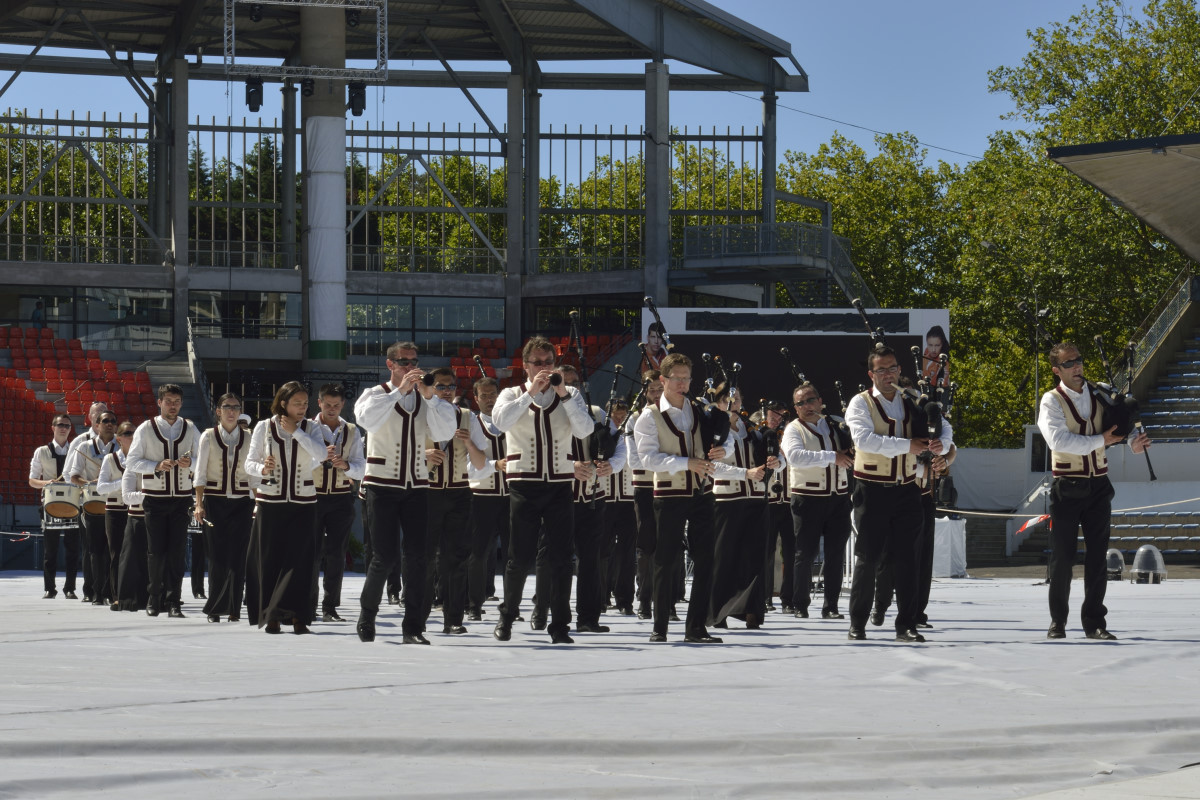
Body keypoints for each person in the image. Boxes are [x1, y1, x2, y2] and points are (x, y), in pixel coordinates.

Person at [1038, 342, 1149, 641]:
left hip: (1099, 486)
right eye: (1069, 363)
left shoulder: (1100, 391)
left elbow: (1121, 424)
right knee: (1063, 558)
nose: (1076, 366)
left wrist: (1134, 442)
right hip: (1067, 486)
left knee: (1098, 557)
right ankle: (1058, 621)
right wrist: (1102, 441)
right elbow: (1058, 441)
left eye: (1079, 360)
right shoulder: (1051, 400)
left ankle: (1095, 622)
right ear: (1057, 370)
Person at [490, 336, 596, 645]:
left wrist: (563, 394)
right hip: (524, 483)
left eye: (548, 362)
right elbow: (500, 423)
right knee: (519, 557)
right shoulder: (511, 393)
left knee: (562, 558)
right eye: (537, 363)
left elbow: (585, 429)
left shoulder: (570, 394)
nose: (544, 368)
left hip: (560, 483)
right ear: (525, 365)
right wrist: (531, 393)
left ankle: (560, 625)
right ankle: (507, 615)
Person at [353, 342, 457, 644]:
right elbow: (366, 420)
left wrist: (430, 397)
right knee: (383, 557)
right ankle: (367, 615)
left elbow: (444, 433)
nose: (411, 367)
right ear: (390, 364)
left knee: (418, 558)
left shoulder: (427, 399)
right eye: (404, 362)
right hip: (382, 484)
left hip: (417, 486)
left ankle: (413, 626)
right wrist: (399, 391)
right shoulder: (375, 394)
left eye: (414, 362)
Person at [844, 345, 945, 643]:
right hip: (871, 489)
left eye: (892, 368)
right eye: (881, 370)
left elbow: (944, 424)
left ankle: (906, 625)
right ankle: (858, 623)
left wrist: (942, 444)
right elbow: (864, 440)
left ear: (900, 370)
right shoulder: (860, 403)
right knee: (868, 557)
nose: (888, 375)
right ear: (871, 374)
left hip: (907, 489)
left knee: (908, 559)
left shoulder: (911, 399)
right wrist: (907, 445)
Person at [633, 352, 736, 644]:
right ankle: (660, 627)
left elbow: (726, 439)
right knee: (665, 559)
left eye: (686, 378)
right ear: (663, 380)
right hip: (669, 494)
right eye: (676, 378)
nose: (682, 384)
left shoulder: (699, 408)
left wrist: (723, 450)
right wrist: (686, 463)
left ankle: (696, 627)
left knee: (706, 559)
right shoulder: (649, 416)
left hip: (702, 493)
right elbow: (648, 459)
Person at [244, 381, 326, 634]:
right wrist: (262, 468)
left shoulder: (311, 427)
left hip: (304, 502)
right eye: (296, 403)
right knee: (270, 560)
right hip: (271, 502)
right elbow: (249, 463)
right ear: (283, 403)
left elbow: (322, 455)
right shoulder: (263, 426)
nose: (302, 407)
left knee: (300, 561)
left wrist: (297, 432)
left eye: (305, 403)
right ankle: (272, 615)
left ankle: (298, 616)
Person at [782, 382, 854, 620]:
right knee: (805, 553)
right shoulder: (793, 429)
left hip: (838, 498)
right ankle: (800, 604)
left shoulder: (835, 423)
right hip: (808, 498)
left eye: (811, 400)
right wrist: (833, 457)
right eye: (800, 403)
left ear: (820, 401)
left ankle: (831, 606)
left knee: (836, 554)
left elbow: (853, 447)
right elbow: (795, 456)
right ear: (795, 408)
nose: (807, 406)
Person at [127, 385, 198, 618]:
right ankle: (154, 598)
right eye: (168, 401)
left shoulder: (190, 428)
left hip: (181, 499)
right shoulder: (146, 428)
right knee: (155, 552)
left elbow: (203, 458)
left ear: (181, 403)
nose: (172, 406)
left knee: (177, 553)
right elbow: (132, 462)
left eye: (176, 401)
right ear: (159, 403)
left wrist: (192, 463)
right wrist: (156, 465)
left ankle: (174, 601)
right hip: (154, 498)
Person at [710, 387, 777, 630]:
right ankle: (718, 612)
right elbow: (711, 466)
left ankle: (752, 611)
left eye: (736, 398)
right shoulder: (712, 427)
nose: (732, 402)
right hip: (726, 499)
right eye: (726, 399)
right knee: (724, 557)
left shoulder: (752, 428)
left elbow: (775, 458)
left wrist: (776, 463)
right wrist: (745, 473)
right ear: (717, 402)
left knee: (756, 558)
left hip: (757, 498)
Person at [193, 393, 259, 623]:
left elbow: (254, 474)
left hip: (243, 502)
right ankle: (215, 608)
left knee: (239, 556)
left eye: (236, 407)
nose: (231, 411)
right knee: (217, 555)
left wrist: (258, 502)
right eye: (227, 407)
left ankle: (234, 608)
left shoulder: (249, 437)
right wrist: (198, 504)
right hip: (214, 501)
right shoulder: (208, 436)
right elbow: (200, 472)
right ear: (218, 411)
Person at [422, 367, 474, 635]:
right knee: (424, 557)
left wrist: (471, 444)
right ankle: (418, 617)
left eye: (450, 386)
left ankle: (454, 618)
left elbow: (483, 456)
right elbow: (398, 448)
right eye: (440, 386)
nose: (445, 391)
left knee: (457, 557)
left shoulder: (466, 415)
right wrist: (422, 455)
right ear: (430, 388)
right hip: (426, 492)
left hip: (459, 491)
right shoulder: (417, 413)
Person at [309, 383, 365, 623]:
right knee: (310, 554)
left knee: (336, 554)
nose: (332, 409)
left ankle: (330, 607)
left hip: (341, 497)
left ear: (343, 404)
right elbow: (298, 463)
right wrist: (320, 457)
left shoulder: (352, 430)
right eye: (328, 404)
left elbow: (361, 468)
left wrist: (346, 465)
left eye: (336, 405)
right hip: (311, 496)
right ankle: (308, 604)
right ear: (319, 403)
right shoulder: (307, 427)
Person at [465, 376, 509, 622]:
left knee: (513, 554)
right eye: (484, 395)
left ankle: (510, 605)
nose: (489, 399)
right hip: (481, 496)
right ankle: (474, 604)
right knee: (478, 553)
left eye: (493, 394)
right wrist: (494, 465)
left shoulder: (511, 421)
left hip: (512, 496)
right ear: (476, 398)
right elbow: (468, 467)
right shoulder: (472, 425)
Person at [66, 410, 118, 606]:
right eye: (105, 421)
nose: (109, 424)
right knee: (94, 550)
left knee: (112, 550)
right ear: (97, 425)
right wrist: (89, 483)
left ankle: (109, 591)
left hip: (114, 503)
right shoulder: (84, 446)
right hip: (91, 503)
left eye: (113, 421)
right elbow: (73, 476)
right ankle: (94, 591)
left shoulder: (121, 446)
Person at [28, 413, 79, 599]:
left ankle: (70, 588)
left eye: (67, 425)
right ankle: (50, 588)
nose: (63, 428)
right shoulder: (41, 451)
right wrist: (47, 483)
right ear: (53, 427)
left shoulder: (76, 451)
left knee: (73, 549)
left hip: (73, 504)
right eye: (60, 425)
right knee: (50, 550)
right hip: (50, 504)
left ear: (70, 429)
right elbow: (32, 480)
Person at [630, 370, 663, 620]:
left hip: (670, 485)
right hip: (644, 485)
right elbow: (634, 459)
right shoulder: (634, 418)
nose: (656, 394)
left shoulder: (674, 415)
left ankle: (666, 601)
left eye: (659, 389)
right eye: (652, 390)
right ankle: (643, 598)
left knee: (669, 543)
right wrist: (666, 460)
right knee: (646, 544)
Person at [96, 421, 135, 611]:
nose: (132, 436)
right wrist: (122, 483)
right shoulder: (110, 459)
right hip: (114, 511)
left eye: (134, 433)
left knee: (137, 553)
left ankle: (135, 593)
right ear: (119, 438)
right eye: (127, 433)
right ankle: (117, 595)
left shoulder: (140, 458)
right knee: (117, 554)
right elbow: (101, 488)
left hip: (135, 510)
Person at [605, 398, 638, 616]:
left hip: (628, 498)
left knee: (627, 553)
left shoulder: (632, 435)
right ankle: (601, 595)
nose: (619, 418)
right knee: (602, 550)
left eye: (623, 414)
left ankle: (625, 599)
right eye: (616, 414)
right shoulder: (602, 432)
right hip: (605, 497)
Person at [118, 448, 150, 611]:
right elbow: (127, 497)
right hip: (136, 518)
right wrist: (152, 495)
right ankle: (128, 598)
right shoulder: (132, 468)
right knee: (131, 559)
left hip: (158, 518)